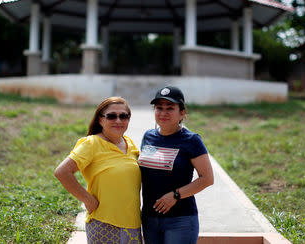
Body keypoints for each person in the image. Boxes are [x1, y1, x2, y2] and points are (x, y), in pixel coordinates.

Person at [54, 97, 142, 244]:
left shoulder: (130, 144)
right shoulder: (92, 143)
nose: (118, 120)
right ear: (100, 120)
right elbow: (62, 172)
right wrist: (88, 200)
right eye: (112, 116)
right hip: (104, 223)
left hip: (133, 225)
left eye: (123, 116)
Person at [138, 86, 214, 244]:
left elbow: (207, 178)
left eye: (170, 108)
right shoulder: (148, 137)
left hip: (181, 220)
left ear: (182, 112)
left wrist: (175, 195)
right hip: (150, 219)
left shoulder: (191, 140)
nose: (163, 113)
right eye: (159, 108)